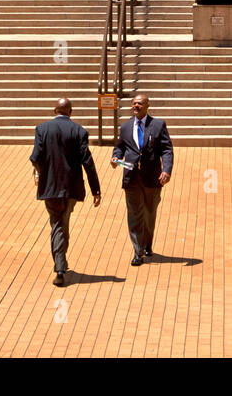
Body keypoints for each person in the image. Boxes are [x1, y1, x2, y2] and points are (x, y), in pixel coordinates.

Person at [30, 98, 101, 286]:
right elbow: (88, 162)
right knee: (62, 223)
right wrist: (96, 189)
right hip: (71, 187)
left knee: (57, 224)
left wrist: (40, 172)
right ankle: (61, 263)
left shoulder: (42, 129)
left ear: (55, 110)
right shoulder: (79, 131)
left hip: (50, 187)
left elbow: (35, 157)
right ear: (71, 112)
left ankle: (60, 268)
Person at [111, 94, 173, 265]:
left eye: (139, 103)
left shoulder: (158, 125)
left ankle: (147, 244)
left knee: (149, 212)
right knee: (134, 215)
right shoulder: (125, 127)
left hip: (152, 177)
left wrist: (166, 170)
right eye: (134, 103)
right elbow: (119, 147)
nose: (136, 106)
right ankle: (138, 251)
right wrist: (115, 158)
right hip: (131, 178)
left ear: (147, 106)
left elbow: (167, 149)